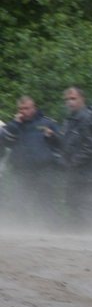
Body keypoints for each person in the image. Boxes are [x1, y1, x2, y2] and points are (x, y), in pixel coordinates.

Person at [0, 96, 61, 224]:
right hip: (21, 171)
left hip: (43, 170)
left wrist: (52, 136)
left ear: (34, 108)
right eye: (20, 109)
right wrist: (15, 124)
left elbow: (61, 143)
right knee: (19, 202)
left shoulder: (47, 123)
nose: (23, 111)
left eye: (26, 108)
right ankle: (22, 228)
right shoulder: (14, 125)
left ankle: (50, 228)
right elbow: (4, 142)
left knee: (46, 202)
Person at [55, 86, 92, 227]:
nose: (70, 102)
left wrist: (73, 161)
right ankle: (76, 232)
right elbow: (66, 142)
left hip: (86, 173)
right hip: (73, 172)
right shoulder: (69, 119)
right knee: (72, 203)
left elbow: (91, 145)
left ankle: (89, 233)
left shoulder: (87, 118)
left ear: (82, 99)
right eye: (67, 99)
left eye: (73, 98)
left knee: (85, 205)